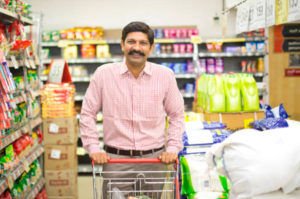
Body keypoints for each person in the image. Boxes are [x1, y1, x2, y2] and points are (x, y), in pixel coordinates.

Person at [80, 21, 185, 198]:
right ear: (122, 45)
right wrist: (94, 148)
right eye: (131, 42)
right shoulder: (104, 74)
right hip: (116, 160)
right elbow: (88, 113)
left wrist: (173, 148)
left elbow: (176, 115)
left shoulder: (165, 76)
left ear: (151, 48)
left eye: (143, 43)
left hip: (155, 160)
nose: (136, 47)